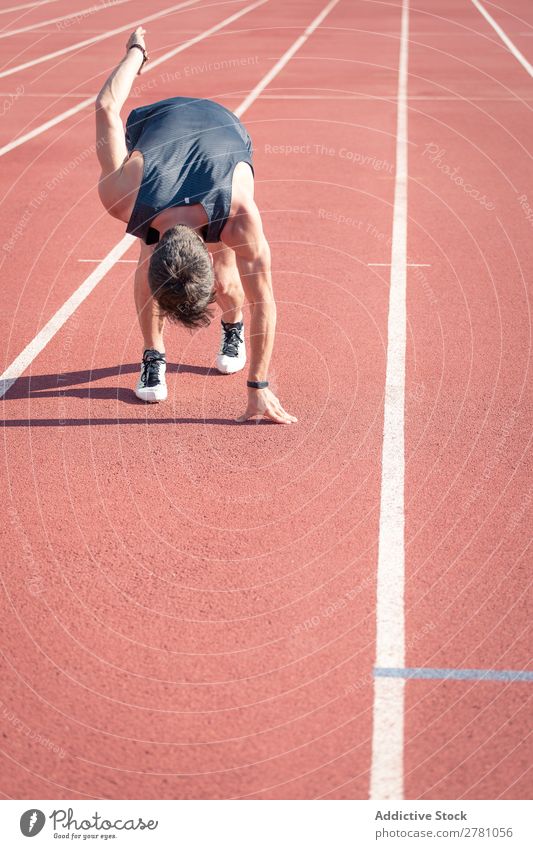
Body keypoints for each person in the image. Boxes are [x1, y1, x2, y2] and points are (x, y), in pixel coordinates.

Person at [94, 27, 296, 424]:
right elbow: (106, 108)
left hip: (223, 128)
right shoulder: (124, 196)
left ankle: (230, 324)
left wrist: (259, 386)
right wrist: (137, 52)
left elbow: (264, 299)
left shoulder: (238, 217)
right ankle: (153, 354)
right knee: (150, 260)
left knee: (227, 273)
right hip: (160, 122)